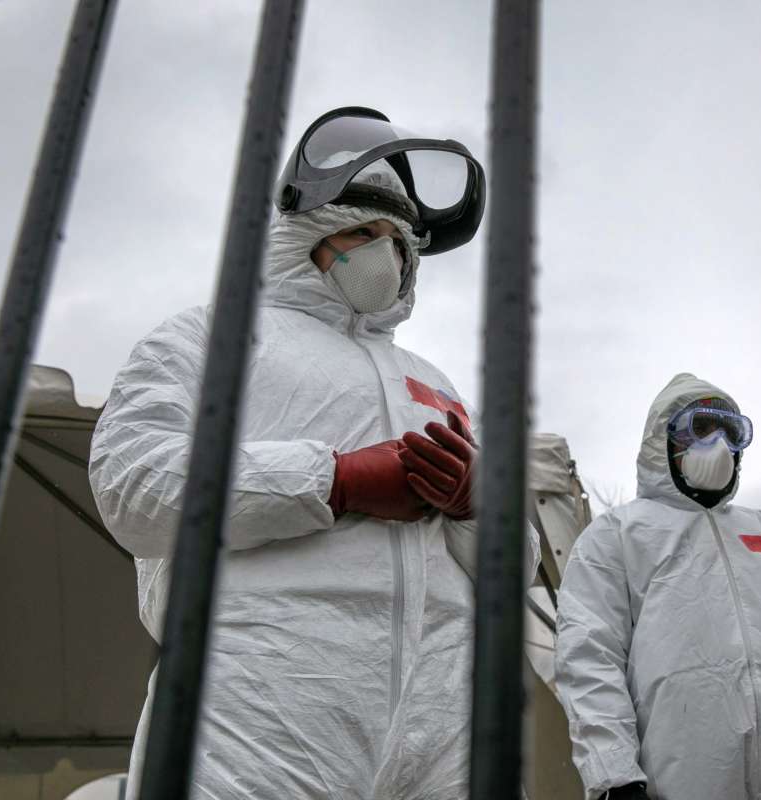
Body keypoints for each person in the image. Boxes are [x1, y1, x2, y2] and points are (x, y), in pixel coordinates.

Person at [89, 108, 537, 799]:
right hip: (261, 704)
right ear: (308, 234)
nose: (385, 254)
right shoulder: (210, 338)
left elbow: (517, 574)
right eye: (363, 231)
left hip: (445, 723)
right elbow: (131, 483)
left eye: (398, 241)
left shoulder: (435, 382)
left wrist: (481, 505)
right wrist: (337, 481)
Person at [554, 374, 761, 800]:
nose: (716, 443)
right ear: (663, 440)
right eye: (699, 428)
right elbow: (589, 656)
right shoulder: (617, 534)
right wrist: (616, 777)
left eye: (730, 433)